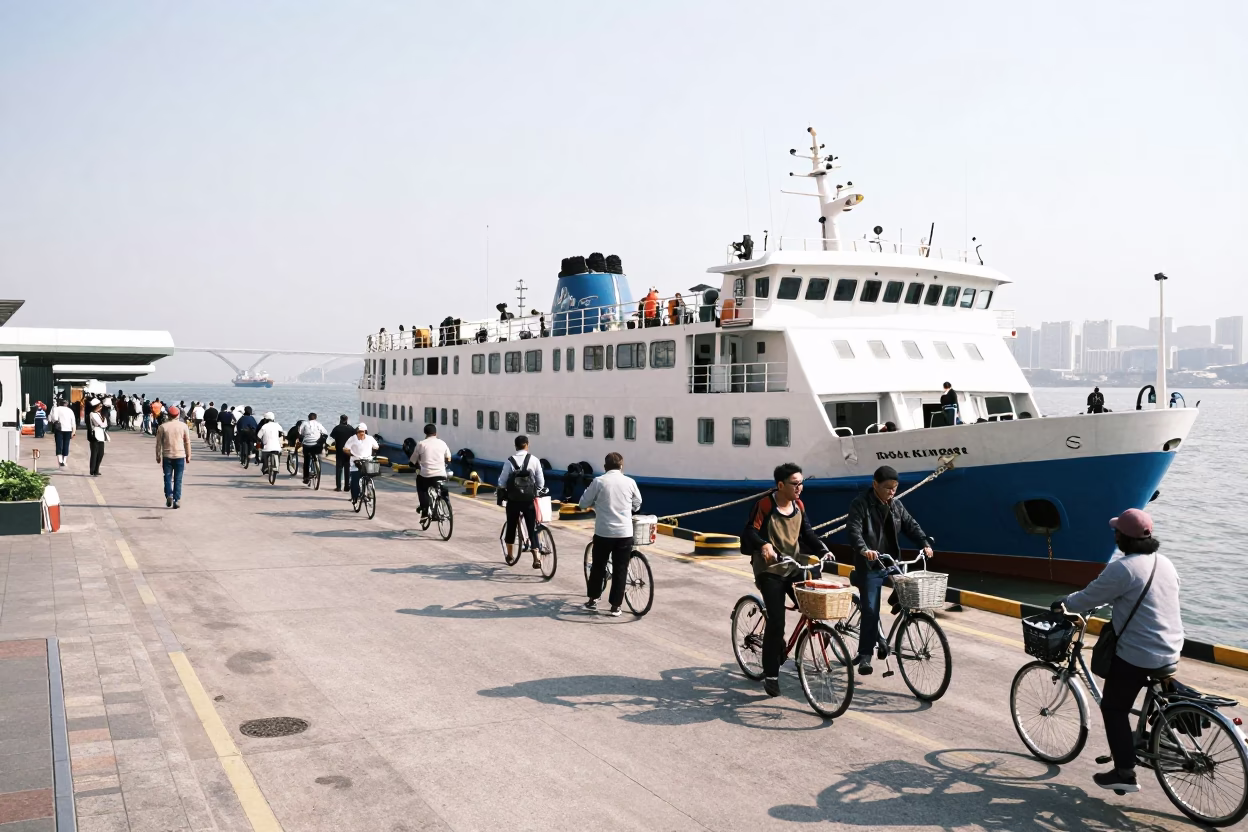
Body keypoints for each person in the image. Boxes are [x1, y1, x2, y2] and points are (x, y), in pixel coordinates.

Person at [1053, 509, 1182, 795]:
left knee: (1113, 707)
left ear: (1123, 537)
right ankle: (1148, 739)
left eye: (1116, 532)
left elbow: (1088, 597)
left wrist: (1063, 603)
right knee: (1138, 694)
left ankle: (1124, 772)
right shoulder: (1165, 563)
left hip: (1140, 654)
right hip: (1171, 647)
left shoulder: (1122, 568)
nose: (1114, 536)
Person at [742, 462, 832, 696]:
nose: (800, 487)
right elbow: (750, 531)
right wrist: (763, 545)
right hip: (769, 570)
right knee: (777, 622)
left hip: (793, 566)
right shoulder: (765, 504)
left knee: (814, 605)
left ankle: (815, 636)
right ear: (780, 485)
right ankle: (771, 674)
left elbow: (807, 533)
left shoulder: (799, 505)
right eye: (795, 483)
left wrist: (823, 550)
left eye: (801, 483)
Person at [846, 465, 933, 676]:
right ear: (875, 484)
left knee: (908, 591)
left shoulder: (896, 505)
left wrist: (924, 543)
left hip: (891, 562)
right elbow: (854, 529)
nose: (892, 492)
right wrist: (863, 549)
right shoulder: (861, 504)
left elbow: (910, 525)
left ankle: (896, 606)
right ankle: (866, 655)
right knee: (870, 610)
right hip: (869, 565)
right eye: (887, 488)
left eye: (895, 487)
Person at [579, 452, 643, 617]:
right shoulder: (630, 482)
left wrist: (595, 504)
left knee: (598, 567)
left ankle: (593, 600)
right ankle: (615, 606)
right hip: (625, 533)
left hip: (604, 533)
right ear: (622, 466)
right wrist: (627, 510)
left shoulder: (599, 481)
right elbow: (637, 503)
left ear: (605, 466)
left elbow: (583, 503)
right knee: (621, 569)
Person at [497, 435, 545, 568]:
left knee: (511, 526)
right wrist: (537, 491)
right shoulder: (534, 460)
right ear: (527, 445)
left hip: (513, 500)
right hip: (529, 500)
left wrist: (503, 491)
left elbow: (502, 481)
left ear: (515, 446)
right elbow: (540, 481)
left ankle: (510, 555)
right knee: (532, 528)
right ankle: (536, 557)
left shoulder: (509, 461)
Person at [412, 423, 451, 522]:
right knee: (442, 490)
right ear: (436, 433)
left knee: (422, 488)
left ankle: (424, 511)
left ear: (425, 433)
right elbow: (448, 458)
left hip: (426, 475)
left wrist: (414, 465)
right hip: (441, 474)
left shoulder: (421, 444)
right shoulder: (442, 443)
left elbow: (412, 461)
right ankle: (445, 503)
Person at [155, 405, 192, 508]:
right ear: (178, 415)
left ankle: (169, 495)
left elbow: (158, 443)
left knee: (167, 477)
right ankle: (177, 499)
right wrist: (189, 455)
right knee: (178, 478)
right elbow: (187, 442)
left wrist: (158, 455)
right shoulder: (183, 426)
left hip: (167, 456)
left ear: (168, 415)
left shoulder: (162, 427)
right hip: (180, 455)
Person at [343, 423, 379, 502]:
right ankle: (361, 494)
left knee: (357, 480)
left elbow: (345, 449)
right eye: (359, 432)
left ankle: (361, 495)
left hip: (361, 462)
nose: (360, 434)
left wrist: (351, 454)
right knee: (361, 478)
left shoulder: (357, 438)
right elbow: (376, 447)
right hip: (362, 462)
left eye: (361, 432)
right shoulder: (366, 438)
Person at [298, 413, 328, 486]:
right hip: (316, 445)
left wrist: (303, 436)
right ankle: (316, 460)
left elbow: (300, 432)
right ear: (315, 418)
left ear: (308, 418)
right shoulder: (318, 424)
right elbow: (325, 433)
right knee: (315, 453)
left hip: (307, 444)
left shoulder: (304, 423)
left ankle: (306, 477)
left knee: (306, 460)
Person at [329, 415, 356, 492]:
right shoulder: (351, 428)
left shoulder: (337, 428)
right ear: (347, 420)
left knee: (339, 469)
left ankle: (338, 487)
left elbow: (332, 436)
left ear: (340, 419)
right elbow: (355, 437)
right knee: (347, 469)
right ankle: (346, 486)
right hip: (347, 451)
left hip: (339, 451)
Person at [50, 399, 76, 466]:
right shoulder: (70, 410)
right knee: (66, 444)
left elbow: (53, 418)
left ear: (60, 403)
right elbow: (73, 422)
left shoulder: (56, 409)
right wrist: (74, 432)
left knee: (58, 444)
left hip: (59, 429)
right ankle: (64, 461)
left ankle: (60, 460)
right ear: (67, 404)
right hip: (68, 429)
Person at [87, 399, 107, 476]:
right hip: (94, 435)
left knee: (101, 453)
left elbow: (105, 424)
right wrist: (103, 422)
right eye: (100, 406)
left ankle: (97, 469)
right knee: (94, 453)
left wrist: (103, 420)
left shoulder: (99, 414)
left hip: (101, 434)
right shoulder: (92, 414)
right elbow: (100, 424)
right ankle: (93, 470)